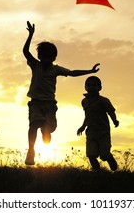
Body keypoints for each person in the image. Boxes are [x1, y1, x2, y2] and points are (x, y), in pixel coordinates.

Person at [23, 21, 100, 165]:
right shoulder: (36, 65)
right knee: (33, 125)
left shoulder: (56, 69)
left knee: (49, 131)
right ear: (39, 57)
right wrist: (30, 35)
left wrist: (90, 71)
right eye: (43, 57)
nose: (46, 60)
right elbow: (26, 53)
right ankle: (31, 150)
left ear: (53, 58)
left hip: (50, 105)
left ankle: (46, 131)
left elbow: (72, 73)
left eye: (49, 57)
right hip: (35, 103)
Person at [77, 76, 119, 172]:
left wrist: (114, 120)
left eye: (94, 85)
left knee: (104, 155)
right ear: (85, 87)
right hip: (91, 132)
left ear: (100, 88)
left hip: (103, 132)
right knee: (91, 155)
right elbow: (87, 116)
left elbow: (111, 111)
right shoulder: (84, 101)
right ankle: (97, 173)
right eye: (89, 85)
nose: (91, 87)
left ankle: (110, 158)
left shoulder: (103, 100)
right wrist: (83, 127)